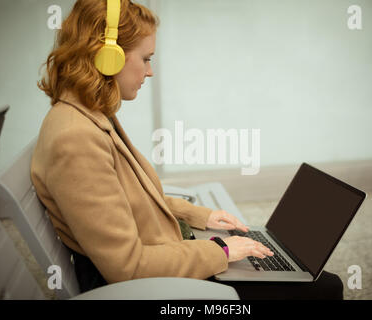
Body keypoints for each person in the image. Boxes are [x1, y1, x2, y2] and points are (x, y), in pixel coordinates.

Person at [32, 0, 343, 299]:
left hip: (155, 260)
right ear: (107, 57)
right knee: (324, 288)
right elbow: (127, 268)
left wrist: (200, 216)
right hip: (142, 288)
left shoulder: (86, 115)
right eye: (146, 58)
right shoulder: (76, 139)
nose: (150, 72)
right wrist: (219, 250)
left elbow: (128, 201)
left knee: (300, 274)